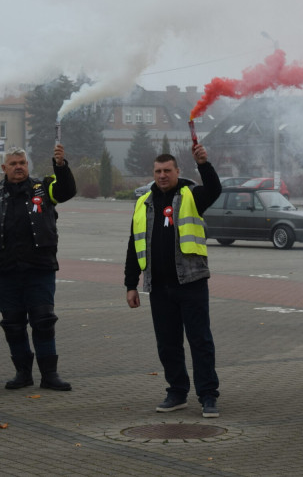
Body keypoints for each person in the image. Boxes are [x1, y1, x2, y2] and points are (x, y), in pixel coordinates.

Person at [124, 146, 222, 418]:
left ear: (178, 172)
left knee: (200, 341)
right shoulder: (143, 202)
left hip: (191, 282)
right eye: (158, 171)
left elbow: (214, 189)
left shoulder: (192, 195)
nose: (163, 175)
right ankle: (177, 391)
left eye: (168, 170)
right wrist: (131, 284)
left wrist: (204, 163)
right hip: (158, 286)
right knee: (167, 343)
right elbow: (134, 244)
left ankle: (208, 395)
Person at [0, 145, 76, 391]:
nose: (19, 167)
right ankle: (22, 373)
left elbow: (66, 190)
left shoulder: (44, 187)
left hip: (39, 269)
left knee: (43, 321)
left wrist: (60, 166)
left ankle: (50, 375)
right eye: (14, 163)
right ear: (4, 168)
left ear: (27, 165)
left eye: (23, 163)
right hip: (3, 271)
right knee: (13, 323)